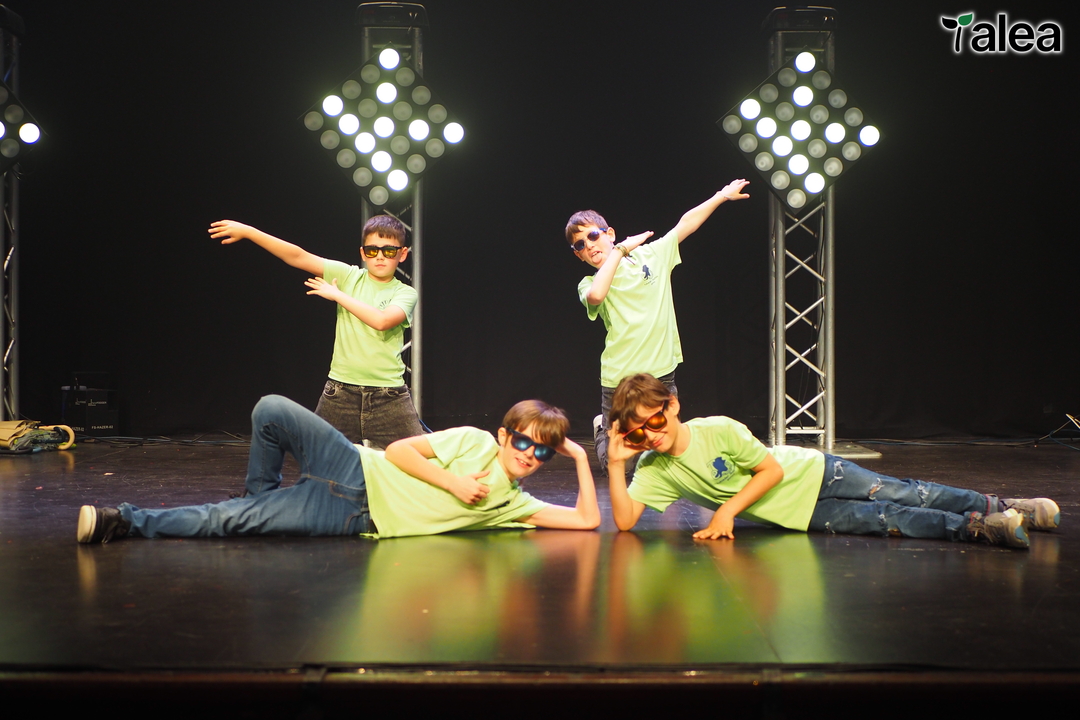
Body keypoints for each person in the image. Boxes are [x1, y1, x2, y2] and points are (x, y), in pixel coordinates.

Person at [605, 373, 1061, 549]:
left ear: (672, 406)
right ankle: (981, 528)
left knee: (908, 492)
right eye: (638, 431)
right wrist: (614, 462)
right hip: (800, 514)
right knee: (889, 520)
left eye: (655, 418)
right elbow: (625, 522)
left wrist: (726, 511)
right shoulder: (654, 469)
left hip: (816, 472)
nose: (651, 433)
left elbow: (771, 471)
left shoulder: (717, 429)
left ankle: (1002, 505)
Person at [77, 395, 600, 543]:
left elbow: (586, 522)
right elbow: (399, 451)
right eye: (525, 442)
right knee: (271, 409)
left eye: (543, 453)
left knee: (224, 521)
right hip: (353, 461)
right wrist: (453, 482)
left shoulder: (514, 505)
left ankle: (123, 520)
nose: (530, 455)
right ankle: (257, 497)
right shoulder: (475, 442)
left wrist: (578, 456)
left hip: (349, 515)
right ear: (507, 436)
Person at [564, 179, 750, 468]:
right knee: (616, 464)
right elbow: (597, 295)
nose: (589, 245)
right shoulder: (588, 282)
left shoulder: (650, 256)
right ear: (578, 255)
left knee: (670, 455)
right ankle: (603, 428)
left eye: (593, 235)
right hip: (619, 379)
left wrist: (721, 196)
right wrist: (619, 251)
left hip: (660, 372)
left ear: (609, 233)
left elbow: (685, 225)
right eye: (580, 245)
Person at [209, 215, 424, 448]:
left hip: (389, 396)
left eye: (389, 251)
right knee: (316, 457)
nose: (380, 257)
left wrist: (338, 295)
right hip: (341, 393)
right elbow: (298, 256)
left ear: (402, 254)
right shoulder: (348, 276)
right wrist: (249, 231)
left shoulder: (405, 292)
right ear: (363, 253)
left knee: (422, 458)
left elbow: (382, 321)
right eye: (373, 250)